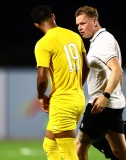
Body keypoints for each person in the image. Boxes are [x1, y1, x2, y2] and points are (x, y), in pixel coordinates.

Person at [74, 5, 126, 160]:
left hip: (101, 105)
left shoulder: (102, 41)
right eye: (77, 25)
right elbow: (117, 73)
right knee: (120, 152)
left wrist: (106, 96)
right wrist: (114, 95)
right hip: (112, 104)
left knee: (79, 146)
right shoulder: (101, 39)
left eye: (83, 23)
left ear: (95, 21)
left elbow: (117, 70)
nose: (79, 28)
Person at [31, 4, 89, 160]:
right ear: (53, 16)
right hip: (78, 99)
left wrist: (41, 96)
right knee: (50, 145)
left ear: (36, 25)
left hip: (63, 102)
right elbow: (87, 68)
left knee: (68, 153)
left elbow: (42, 78)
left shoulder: (43, 44)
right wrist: (75, 87)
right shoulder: (75, 36)